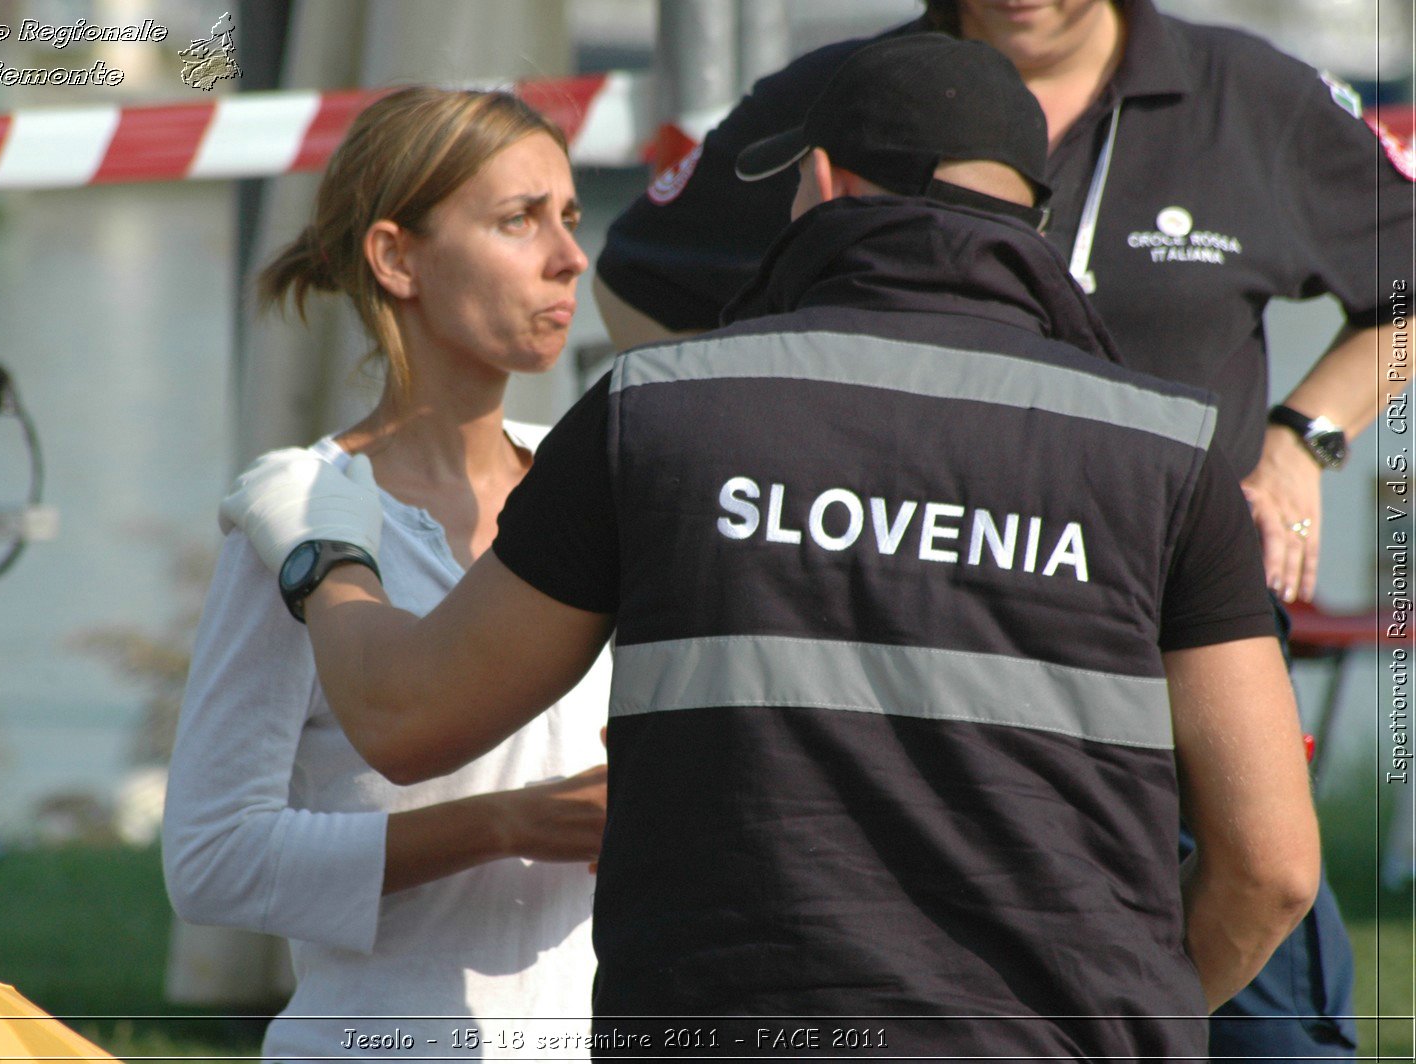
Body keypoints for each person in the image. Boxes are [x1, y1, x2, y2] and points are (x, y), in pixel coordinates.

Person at [219, 37, 1321, 1059]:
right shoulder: (1166, 451)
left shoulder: (661, 410)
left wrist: (324, 551)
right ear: (1029, 214)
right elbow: (1271, 869)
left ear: (828, 183)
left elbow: (408, 717)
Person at [593, 2, 1412, 1056]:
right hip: (877, 664)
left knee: (1269, 1023)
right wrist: (769, 456)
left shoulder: (1252, 98)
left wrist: (1304, 438)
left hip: (1153, 655)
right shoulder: (840, 94)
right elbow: (636, 284)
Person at [161, 87, 607, 1062]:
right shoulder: (301, 515)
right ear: (396, 256)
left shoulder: (603, 487)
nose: (569, 256)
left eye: (568, 218)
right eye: (517, 219)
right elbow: (211, 860)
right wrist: (503, 823)